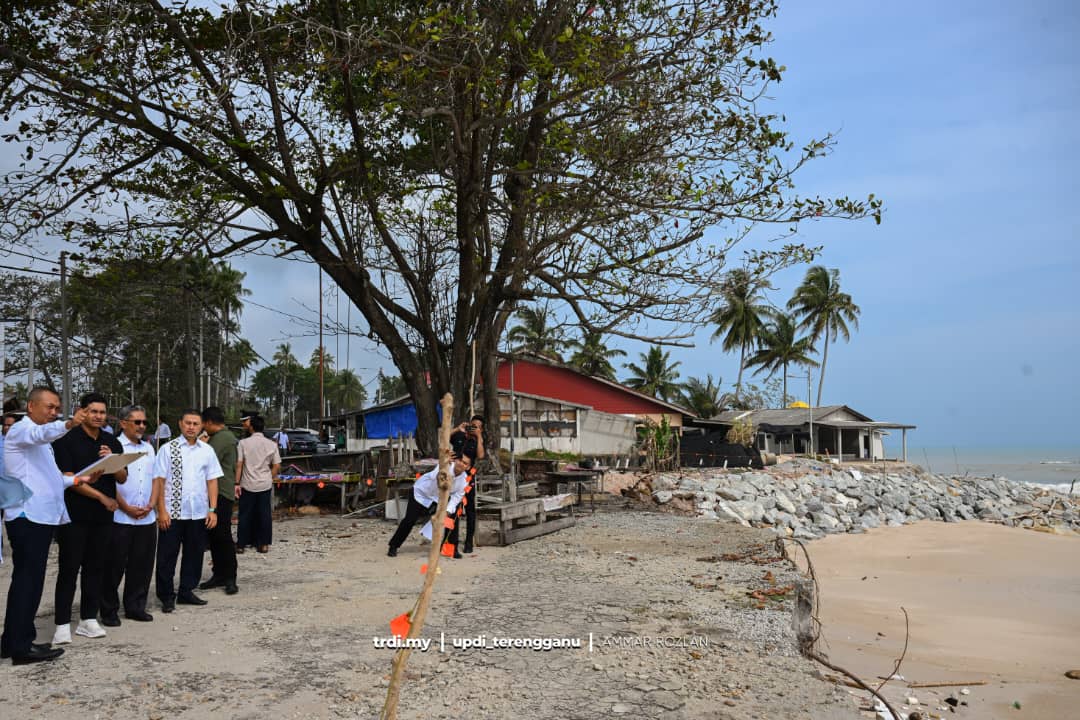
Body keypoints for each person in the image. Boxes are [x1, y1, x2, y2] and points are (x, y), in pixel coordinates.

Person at [1, 388, 92, 665]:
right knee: (28, 582)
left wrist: (79, 480)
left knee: (27, 581)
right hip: (29, 517)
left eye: (57, 408)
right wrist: (69, 423)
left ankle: (11, 641)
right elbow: (42, 433)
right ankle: (21, 646)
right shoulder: (22, 431)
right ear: (31, 406)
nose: (53, 412)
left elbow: (51, 478)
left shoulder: (40, 442)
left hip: (41, 516)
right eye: (49, 407)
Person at [51, 392, 127, 644]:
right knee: (69, 568)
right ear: (82, 411)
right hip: (74, 514)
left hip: (103, 518)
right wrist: (102, 498)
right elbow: (70, 480)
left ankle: (87, 619)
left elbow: (123, 477)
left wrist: (111, 462)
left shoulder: (111, 441)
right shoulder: (66, 440)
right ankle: (62, 623)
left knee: (96, 567)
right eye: (93, 411)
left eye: (102, 412)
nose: (98, 416)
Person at [153, 409, 222, 612]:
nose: (191, 427)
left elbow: (212, 480)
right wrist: (162, 511)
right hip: (173, 513)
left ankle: (186, 591)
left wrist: (212, 509)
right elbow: (159, 480)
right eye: (188, 423)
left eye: (195, 423)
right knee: (167, 556)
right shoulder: (168, 449)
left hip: (198, 512)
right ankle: (166, 596)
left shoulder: (206, 451)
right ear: (180, 424)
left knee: (194, 554)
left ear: (201, 426)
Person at [101, 404, 158, 624]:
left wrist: (151, 504)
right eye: (137, 422)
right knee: (114, 565)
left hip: (146, 516)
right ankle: (108, 610)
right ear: (123, 423)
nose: (142, 426)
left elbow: (155, 479)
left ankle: (135, 606)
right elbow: (110, 483)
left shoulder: (149, 448)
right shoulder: (114, 447)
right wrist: (125, 507)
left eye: (144, 422)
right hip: (121, 516)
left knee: (141, 565)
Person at [387, 451, 472, 558]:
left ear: (468, 467)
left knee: (453, 517)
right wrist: (442, 466)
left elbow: (456, 498)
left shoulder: (464, 481)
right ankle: (394, 545)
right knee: (410, 520)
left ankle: (451, 548)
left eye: (465, 463)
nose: (461, 464)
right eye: (460, 460)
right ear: (456, 460)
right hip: (421, 493)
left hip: (437, 499)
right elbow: (433, 477)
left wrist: (447, 511)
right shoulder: (446, 466)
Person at [199, 406, 239, 594]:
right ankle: (219, 574)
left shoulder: (223, 438)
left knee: (223, 536)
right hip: (214, 492)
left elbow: (206, 459)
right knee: (214, 536)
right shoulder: (219, 437)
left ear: (208, 422)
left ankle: (230, 576)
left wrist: (202, 444)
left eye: (202, 424)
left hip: (221, 492)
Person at [235, 416, 280, 554]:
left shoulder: (243, 443)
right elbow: (277, 465)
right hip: (264, 484)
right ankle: (263, 544)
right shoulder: (271, 444)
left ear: (251, 427)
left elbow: (239, 464)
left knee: (245, 514)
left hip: (247, 483)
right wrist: (268, 476)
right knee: (264, 514)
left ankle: (241, 544)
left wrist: (237, 482)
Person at [450, 417, 485, 554]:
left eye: (477, 426)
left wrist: (479, 436)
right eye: (472, 425)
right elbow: (443, 435)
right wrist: (458, 428)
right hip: (455, 476)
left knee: (470, 510)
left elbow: (481, 455)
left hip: (468, 478)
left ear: (481, 429)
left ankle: (469, 541)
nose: (473, 428)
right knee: (454, 508)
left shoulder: (477, 440)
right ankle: (453, 540)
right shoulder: (459, 435)